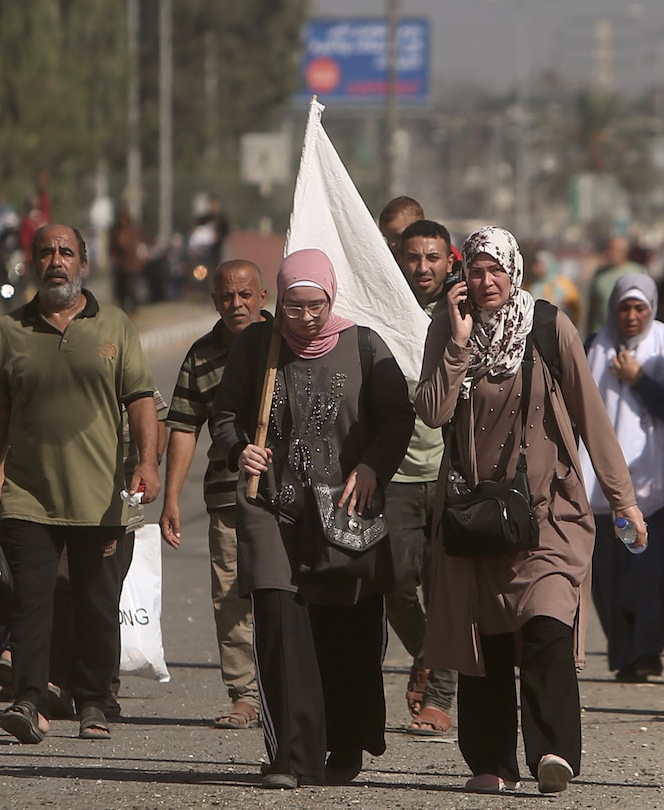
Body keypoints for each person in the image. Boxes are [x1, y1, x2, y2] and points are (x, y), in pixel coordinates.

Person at [416, 226, 646, 795]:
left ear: (514, 271)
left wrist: (624, 501)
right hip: (475, 517)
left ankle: (552, 752)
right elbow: (433, 411)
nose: (486, 279)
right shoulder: (448, 328)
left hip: (549, 515)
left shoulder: (547, 325)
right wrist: (459, 344)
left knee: (546, 624)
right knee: (487, 639)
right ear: (462, 273)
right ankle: (492, 761)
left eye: (496, 268)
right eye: (476, 269)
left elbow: (593, 417)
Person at [211, 248, 414, 789]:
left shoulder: (365, 346)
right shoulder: (259, 345)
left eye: (315, 307)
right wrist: (239, 452)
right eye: (293, 307)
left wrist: (372, 465)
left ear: (331, 297)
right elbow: (226, 414)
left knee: (345, 631)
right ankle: (289, 756)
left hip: (344, 510)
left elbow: (398, 417)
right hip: (272, 508)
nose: (304, 319)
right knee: (279, 621)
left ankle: (343, 743)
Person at [0, 223, 161, 745]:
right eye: (47, 252)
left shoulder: (115, 326)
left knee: (96, 606)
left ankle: (94, 700)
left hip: (101, 500)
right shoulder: (9, 333)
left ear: (84, 264)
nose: (56, 260)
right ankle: (30, 700)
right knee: (31, 602)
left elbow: (141, 399)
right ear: (33, 264)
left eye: (66, 252)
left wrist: (148, 464)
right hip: (29, 498)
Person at [159, 259, 271, 730]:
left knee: (285, 596)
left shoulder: (286, 344)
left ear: (262, 297)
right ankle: (244, 693)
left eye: (245, 295)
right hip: (227, 499)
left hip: (285, 501)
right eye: (227, 296)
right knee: (230, 596)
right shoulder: (202, 356)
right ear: (215, 301)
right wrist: (170, 500)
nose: (236, 304)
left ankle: (289, 686)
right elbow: (184, 427)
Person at [580, 272, 664, 683]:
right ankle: (625, 653)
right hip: (602, 487)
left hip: (655, 483)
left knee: (645, 571)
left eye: (639, 308)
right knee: (610, 574)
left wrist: (640, 381)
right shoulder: (594, 346)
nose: (631, 316)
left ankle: (646, 651)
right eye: (624, 308)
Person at [389, 218, 460, 735]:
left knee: (447, 590)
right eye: (414, 257)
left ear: (448, 259)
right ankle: (429, 654)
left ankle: (440, 699)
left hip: (449, 476)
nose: (422, 267)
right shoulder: (380, 310)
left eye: (432, 257)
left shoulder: (464, 314)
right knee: (393, 583)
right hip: (393, 475)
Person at [586, 236, 647, 335]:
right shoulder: (600, 274)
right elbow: (593, 306)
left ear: (624, 252)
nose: (608, 252)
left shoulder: (638, 272)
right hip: (601, 332)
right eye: (608, 248)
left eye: (612, 249)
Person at [523, 247, 583, 327]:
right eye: (535, 264)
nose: (536, 268)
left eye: (540, 264)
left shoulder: (563, 283)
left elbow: (576, 308)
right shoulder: (530, 286)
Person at [109, 206, 149, 314]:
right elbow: (112, 248)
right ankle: (123, 309)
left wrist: (143, 257)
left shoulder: (135, 230)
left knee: (132, 289)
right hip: (121, 266)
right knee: (121, 290)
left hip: (134, 265)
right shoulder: (116, 231)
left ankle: (134, 309)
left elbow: (144, 244)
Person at [189, 196, 230, 269]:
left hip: (216, 251)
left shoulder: (221, 219)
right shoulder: (202, 219)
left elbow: (226, 233)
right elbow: (194, 231)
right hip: (202, 252)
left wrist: (217, 236)